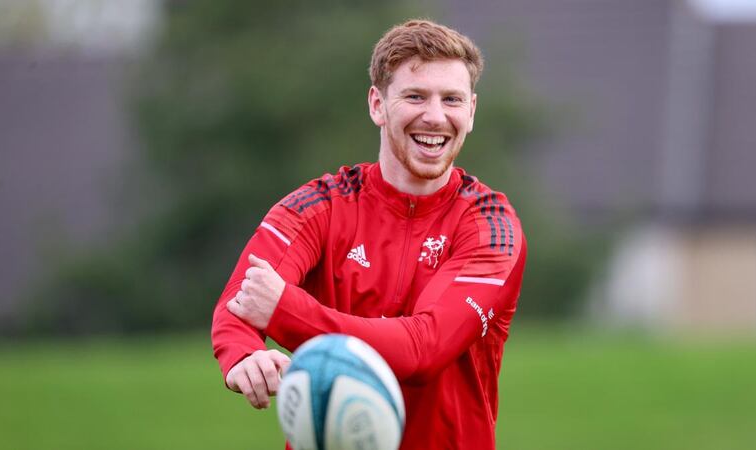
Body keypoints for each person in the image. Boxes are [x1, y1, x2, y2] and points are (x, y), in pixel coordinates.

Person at [211, 19, 527, 450]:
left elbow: (425, 347)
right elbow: (242, 300)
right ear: (377, 104)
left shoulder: (492, 225)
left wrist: (286, 311)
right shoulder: (319, 205)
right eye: (415, 96)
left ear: (471, 111)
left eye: (451, 99)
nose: (435, 116)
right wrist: (244, 354)